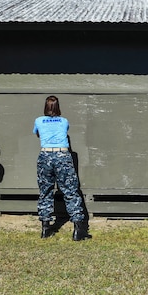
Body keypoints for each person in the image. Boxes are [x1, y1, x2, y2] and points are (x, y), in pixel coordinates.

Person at [34, 95, 91, 241]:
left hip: (45, 155)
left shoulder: (39, 120)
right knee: (71, 190)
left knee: (45, 190)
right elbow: (63, 132)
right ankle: (78, 230)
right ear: (58, 106)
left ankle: (45, 228)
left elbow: (38, 135)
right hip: (63, 155)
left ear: (45, 107)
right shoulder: (64, 121)